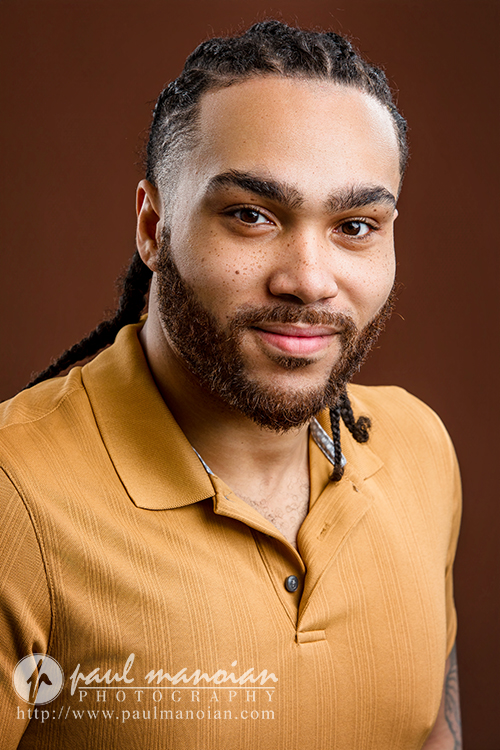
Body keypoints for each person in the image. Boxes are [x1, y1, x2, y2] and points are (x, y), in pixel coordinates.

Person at [0, 20, 462, 749]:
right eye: (251, 215)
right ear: (154, 227)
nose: (309, 279)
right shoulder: (14, 498)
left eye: (356, 225)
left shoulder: (420, 450)